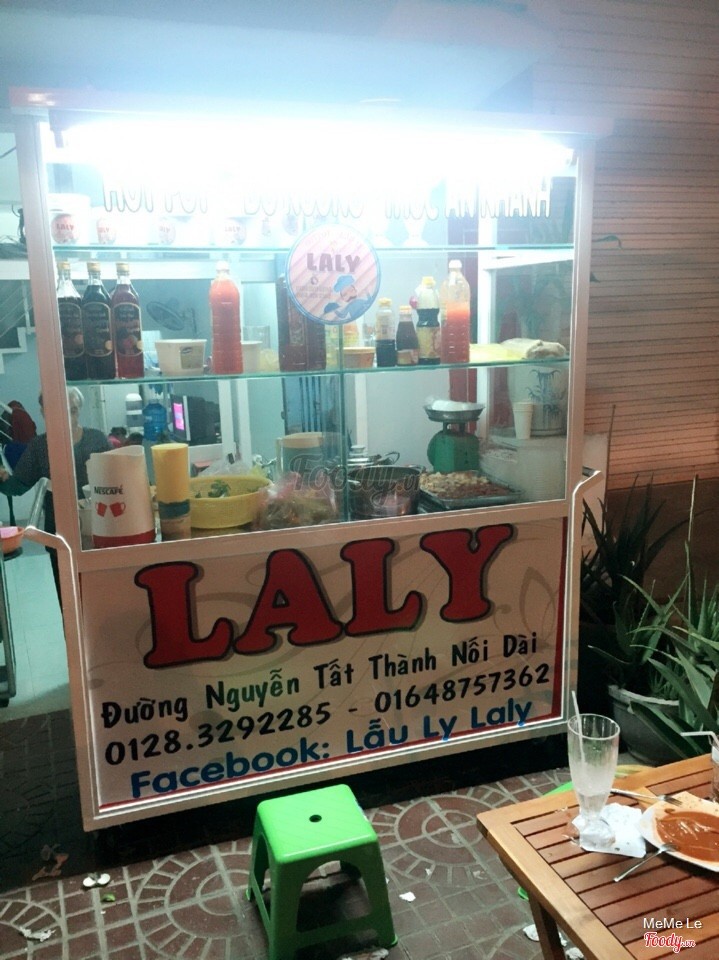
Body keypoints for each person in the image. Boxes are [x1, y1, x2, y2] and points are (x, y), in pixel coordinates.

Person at [0, 386, 110, 600]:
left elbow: (117, 480)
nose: (68, 417)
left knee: (102, 595)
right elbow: (18, 486)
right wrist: (2, 479)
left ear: (79, 410)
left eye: (73, 410)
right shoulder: (39, 446)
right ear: (44, 412)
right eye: (59, 411)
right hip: (59, 533)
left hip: (99, 527)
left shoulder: (97, 439)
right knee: (68, 597)